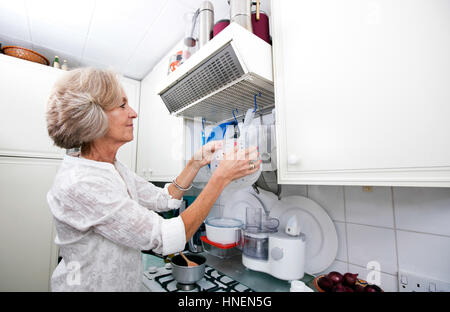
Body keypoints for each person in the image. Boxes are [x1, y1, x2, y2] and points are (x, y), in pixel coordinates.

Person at [45, 67, 260, 291]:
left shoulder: (111, 167)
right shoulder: (82, 183)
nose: (133, 113)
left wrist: (195, 163)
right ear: (94, 118)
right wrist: (221, 177)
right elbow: (167, 237)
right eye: (122, 105)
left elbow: (164, 198)